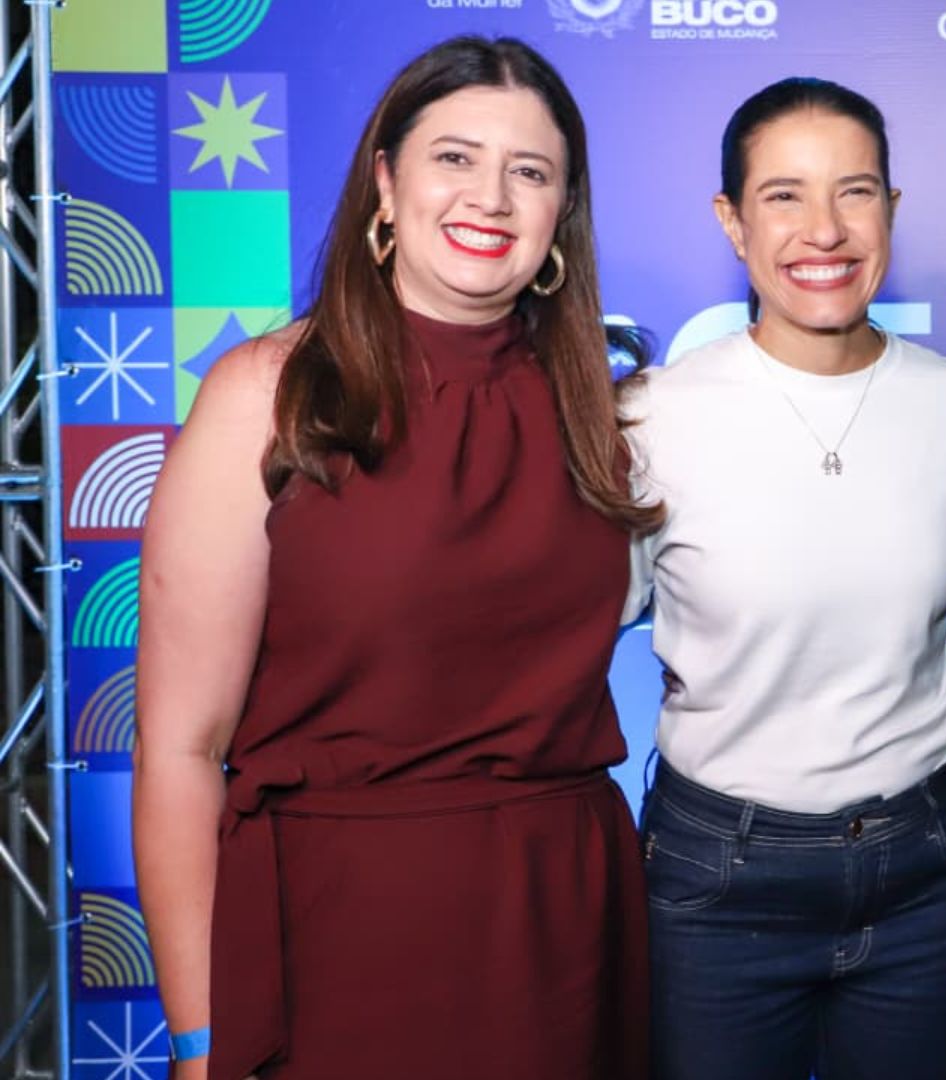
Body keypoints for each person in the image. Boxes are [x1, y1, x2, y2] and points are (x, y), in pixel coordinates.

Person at [131, 36, 654, 1080]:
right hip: (339, 929)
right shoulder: (265, 393)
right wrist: (198, 1037)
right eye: (454, 158)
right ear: (385, 181)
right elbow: (182, 750)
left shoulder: (607, 409)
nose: (492, 197)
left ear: (561, 215)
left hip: (561, 924)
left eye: (530, 172)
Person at [621, 77, 946, 1080]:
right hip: (717, 884)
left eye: (855, 191)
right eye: (783, 195)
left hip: (928, 870)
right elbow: (562, 643)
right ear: (731, 223)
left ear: (893, 211)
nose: (823, 229)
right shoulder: (648, 416)